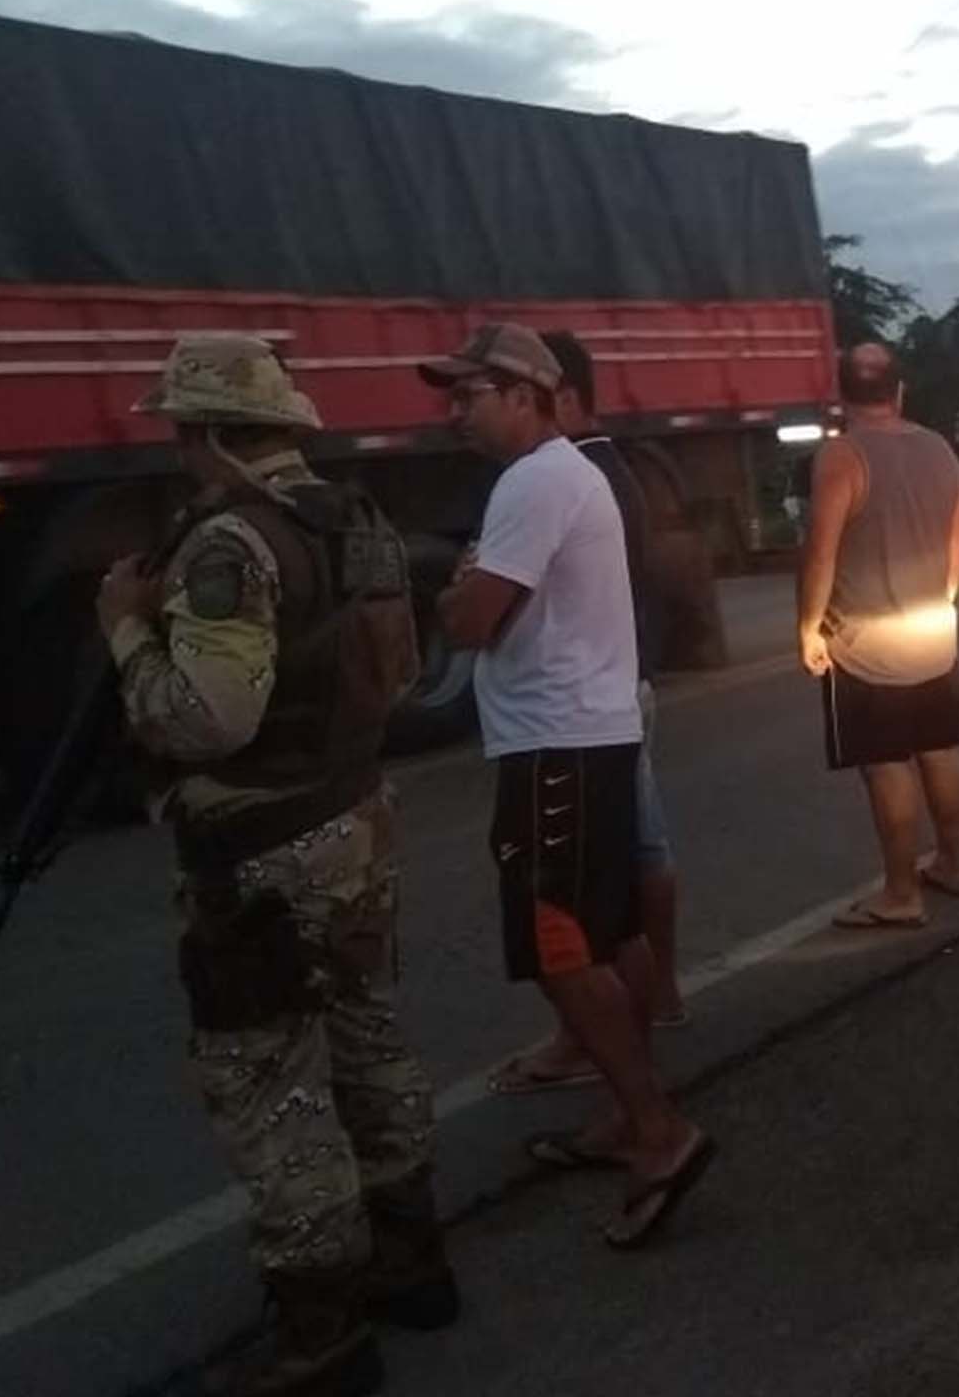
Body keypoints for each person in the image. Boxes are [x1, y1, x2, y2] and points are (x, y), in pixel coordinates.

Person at [97, 334, 452, 1397]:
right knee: (368, 1033)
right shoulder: (357, 521)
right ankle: (412, 1259)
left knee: (272, 1085)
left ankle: (323, 1329)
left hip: (259, 849)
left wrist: (124, 633)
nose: (175, 448)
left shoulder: (228, 546)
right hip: (354, 816)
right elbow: (403, 674)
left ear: (205, 432)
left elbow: (208, 717)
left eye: (180, 430)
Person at [421, 322, 713, 1248]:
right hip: (591, 733)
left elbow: (472, 620)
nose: (454, 413)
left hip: (554, 745)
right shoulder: (569, 476)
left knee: (561, 946)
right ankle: (634, 1113)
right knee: (612, 927)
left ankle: (659, 1132)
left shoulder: (533, 480)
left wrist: (453, 594)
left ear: (525, 396)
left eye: (469, 395)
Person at [486, 331, 687, 1093]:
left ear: (556, 395)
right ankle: (647, 1019)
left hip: (582, 712)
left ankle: (613, 1061)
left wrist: (466, 593)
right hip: (613, 694)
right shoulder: (611, 471)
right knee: (624, 873)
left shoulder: (563, 476)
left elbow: (480, 614)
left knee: (591, 904)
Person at [797, 340, 959, 928]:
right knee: (940, 747)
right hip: (932, 627)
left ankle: (902, 893)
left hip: (866, 638)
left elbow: (820, 554)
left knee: (885, 762)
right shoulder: (941, 452)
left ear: (840, 396)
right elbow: (957, 551)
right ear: (900, 392)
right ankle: (952, 862)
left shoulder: (841, 458)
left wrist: (808, 628)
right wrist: (940, 601)